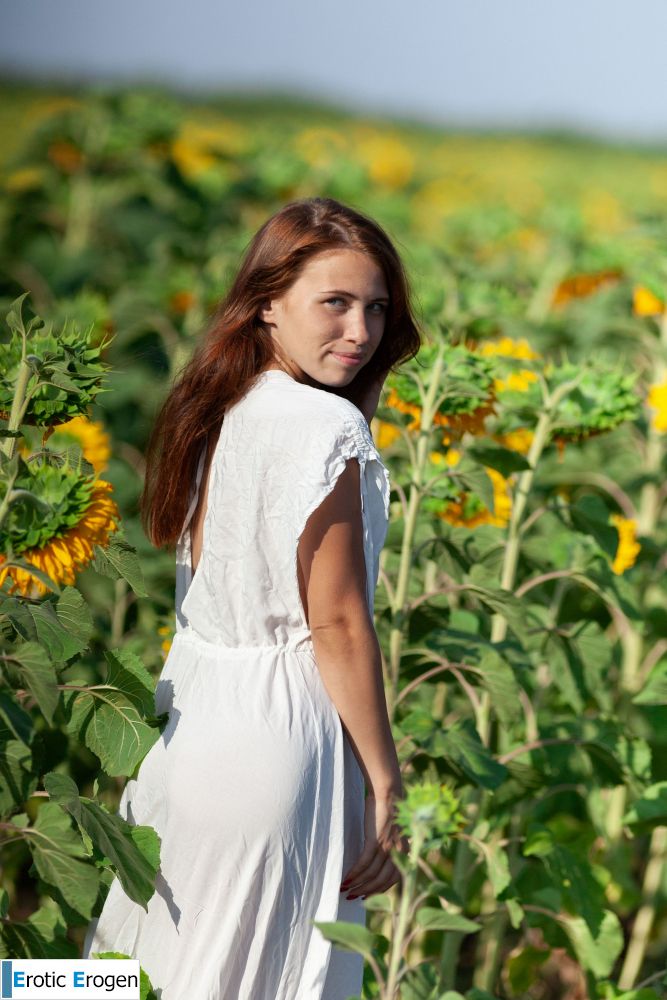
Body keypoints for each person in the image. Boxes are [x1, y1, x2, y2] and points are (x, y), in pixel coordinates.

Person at [82, 196, 422, 999]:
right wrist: (385, 778)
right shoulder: (320, 428)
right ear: (266, 302)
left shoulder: (219, 406)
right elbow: (336, 622)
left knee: (130, 971)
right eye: (333, 304)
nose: (361, 331)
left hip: (191, 725)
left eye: (375, 309)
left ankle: (12, 985)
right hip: (277, 738)